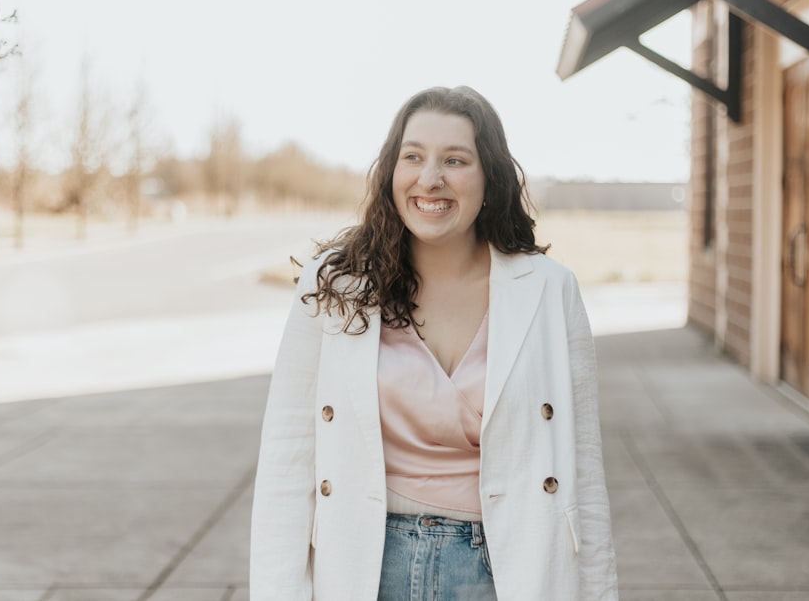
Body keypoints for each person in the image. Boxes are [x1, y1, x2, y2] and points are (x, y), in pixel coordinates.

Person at [250, 86, 617, 600]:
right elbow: (287, 460)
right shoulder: (337, 287)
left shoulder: (549, 290)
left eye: (455, 160)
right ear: (391, 173)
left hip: (507, 569)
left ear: (489, 177)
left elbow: (584, 474)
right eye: (413, 157)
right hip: (364, 565)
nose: (430, 178)